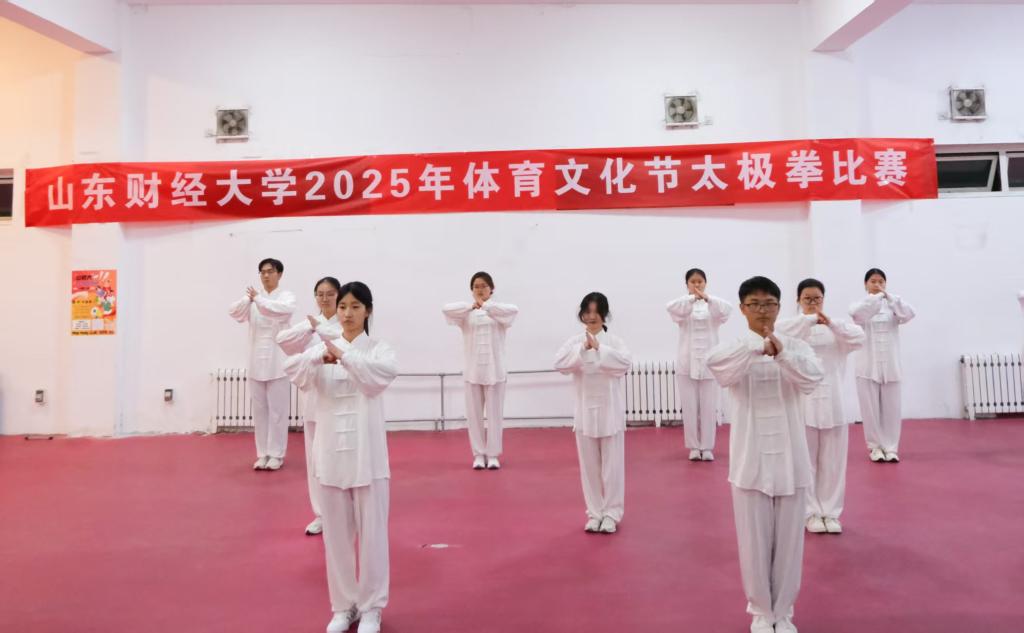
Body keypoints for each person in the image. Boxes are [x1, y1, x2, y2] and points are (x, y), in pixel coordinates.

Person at [706, 276, 823, 633]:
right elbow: (719, 369)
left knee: (789, 543)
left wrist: (782, 353)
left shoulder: (796, 346)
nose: (762, 311)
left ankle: (783, 612)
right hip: (750, 460)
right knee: (753, 542)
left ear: (779, 307)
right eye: (754, 304)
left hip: (791, 459)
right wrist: (756, 350)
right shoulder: (734, 347)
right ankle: (760, 611)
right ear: (742, 309)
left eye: (769, 304)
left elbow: (812, 378)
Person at [284, 282, 396, 633]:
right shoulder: (321, 350)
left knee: (373, 537)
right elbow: (293, 370)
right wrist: (318, 356)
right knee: (336, 538)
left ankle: (372, 607)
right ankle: (343, 606)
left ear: (368, 311)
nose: (347, 313)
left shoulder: (379, 349)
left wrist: (344, 355)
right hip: (331, 457)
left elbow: (376, 379)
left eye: (355, 307)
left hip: (368, 459)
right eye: (343, 306)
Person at [776, 279, 864, 535]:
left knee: (833, 462)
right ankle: (810, 512)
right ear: (798, 301)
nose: (813, 303)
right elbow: (779, 330)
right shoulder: (794, 328)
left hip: (834, 403)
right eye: (807, 299)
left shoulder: (836, 329)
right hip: (804, 404)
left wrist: (831, 323)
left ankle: (830, 512)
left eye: (817, 298)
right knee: (806, 461)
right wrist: (809, 320)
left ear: (824, 299)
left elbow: (859, 337)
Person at [554, 292, 633, 534]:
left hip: (610, 413)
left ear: (604, 314)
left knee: (612, 468)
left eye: (596, 312)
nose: (591, 316)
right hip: (585, 414)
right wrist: (582, 348)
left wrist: (600, 348)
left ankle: (611, 514)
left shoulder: (615, 342)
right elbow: (560, 364)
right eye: (587, 312)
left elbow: (624, 365)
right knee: (589, 468)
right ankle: (595, 513)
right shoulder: (574, 342)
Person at [277, 276, 343, 535]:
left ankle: (341, 512)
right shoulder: (309, 326)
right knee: (315, 461)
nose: (324, 299)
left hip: (338, 401)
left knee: (337, 457)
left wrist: (321, 328)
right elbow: (283, 341)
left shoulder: (345, 322)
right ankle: (321, 514)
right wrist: (310, 327)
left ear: (339, 295)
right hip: (314, 401)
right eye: (320, 294)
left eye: (330, 294)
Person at [442, 272, 519, 470]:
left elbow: (514, 310)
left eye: (484, 286)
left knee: (494, 416)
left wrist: (486, 306)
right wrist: (471, 306)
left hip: (495, 371)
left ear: (491, 289)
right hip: (473, 372)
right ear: (472, 290)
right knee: (474, 416)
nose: (480, 289)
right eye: (476, 286)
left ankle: (492, 455)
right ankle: (478, 454)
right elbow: (446, 309)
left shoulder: (498, 312)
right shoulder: (466, 313)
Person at [228, 258, 296, 471]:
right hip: (256, 360)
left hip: (277, 361)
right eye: (262, 272)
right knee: (259, 411)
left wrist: (258, 299)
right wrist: (249, 299)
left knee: (278, 411)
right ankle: (263, 453)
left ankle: (277, 454)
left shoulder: (286, 296)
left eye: (270, 271)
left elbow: (280, 310)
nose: (266, 275)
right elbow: (234, 312)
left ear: (279, 274)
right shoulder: (253, 298)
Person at [849, 268, 916, 463]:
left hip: (890, 367)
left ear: (886, 284)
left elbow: (909, 314)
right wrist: (875, 299)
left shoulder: (893, 306)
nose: (877, 284)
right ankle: (875, 448)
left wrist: (889, 298)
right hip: (867, 367)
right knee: (869, 410)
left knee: (892, 410)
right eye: (873, 281)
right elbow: (858, 315)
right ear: (865, 284)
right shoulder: (859, 305)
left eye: (881, 281)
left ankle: (891, 448)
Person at [666, 268, 732, 461]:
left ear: (705, 283)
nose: (697, 285)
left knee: (709, 408)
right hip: (686, 363)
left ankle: (707, 447)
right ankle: (694, 447)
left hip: (709, 364)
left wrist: (707, 298)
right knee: (689, 408)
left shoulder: (713, 305)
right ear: (687, 284)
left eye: (700, 281)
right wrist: (691, 299)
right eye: (693, 282)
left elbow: (727, 310)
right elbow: (670, 307)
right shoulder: (683, 305)